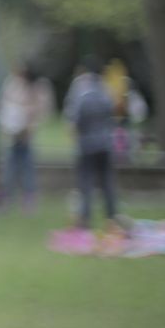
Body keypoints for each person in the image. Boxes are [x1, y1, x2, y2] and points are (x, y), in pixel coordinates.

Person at [63, 55, 119, 231]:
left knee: (85, 184)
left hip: (86, 145)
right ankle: (111, 218)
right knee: (107, 183)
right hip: (105, 144)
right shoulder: (105, 90)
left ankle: (85, 220)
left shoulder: (81, 91)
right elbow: (112, 112)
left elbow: (75, 118)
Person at [0, 62, 53, 211]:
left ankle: (29, 198)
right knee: (10, 166)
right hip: (12, 132)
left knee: (28, 167)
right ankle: (6, 197)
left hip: (28, 133)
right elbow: (4, 105)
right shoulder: (13, 84)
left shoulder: (39, 87)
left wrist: (30, 123)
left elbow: (43, 110)